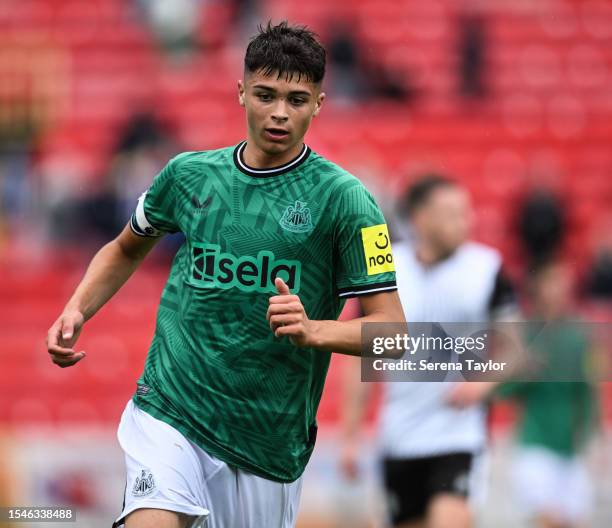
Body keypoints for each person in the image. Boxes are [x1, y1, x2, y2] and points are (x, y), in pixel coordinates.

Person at [45, 21, 405, 528]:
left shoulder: (348, 202)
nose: (279, 112)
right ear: (241, 91)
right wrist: (77, 307)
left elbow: (396, 334)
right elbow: (126, 249)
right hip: (171, 408)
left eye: (297, 100)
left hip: (267, 440)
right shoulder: (188, 175)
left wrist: (314, 330)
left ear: (320, 103)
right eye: (265, 94)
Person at [340, 175, 518, 528]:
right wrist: (350, 434)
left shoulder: (487, 268)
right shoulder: (387, 265)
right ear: (420, 218)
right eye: (452, 213)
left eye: (466, 213)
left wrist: (482, 384)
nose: (465, 222)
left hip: (459, 435)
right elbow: (363, 355)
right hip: (399, 436)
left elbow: (515, 350)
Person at [497, 261, 598, 528]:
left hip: (570, 450)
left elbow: (587, 391)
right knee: (547, 520)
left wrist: (587, 436)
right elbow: (502, 390)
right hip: (535, 444)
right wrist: (521, 368)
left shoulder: (578, 336)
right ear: (539, 290)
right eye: (553, 284)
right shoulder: (525, 335)